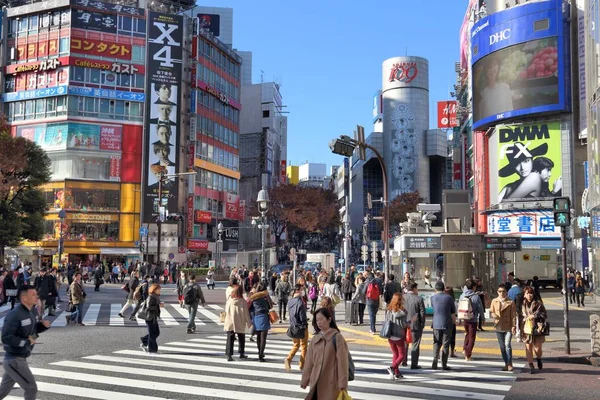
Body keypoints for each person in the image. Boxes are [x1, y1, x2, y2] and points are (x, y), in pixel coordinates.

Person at [0, 285, 50, 400]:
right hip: (14, 360)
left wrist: (42, 326)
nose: (36, 296)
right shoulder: (14, 315)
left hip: (19, 358)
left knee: (2, 391)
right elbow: (6, 338)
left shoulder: (31, 311)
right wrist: (26, 342)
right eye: (33, 294)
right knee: (31, 388)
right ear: (24, 298)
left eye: (36, 294)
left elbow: (32, 331)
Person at [300, 307, 349, 400]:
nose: (319, 322)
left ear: (329, 319)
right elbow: (309, 362)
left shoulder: (337, 338)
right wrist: (305, 379)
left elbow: (342, 363)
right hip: (316, 382)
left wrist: (343, 384)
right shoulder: (315, 339)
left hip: (332, 383)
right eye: (317, 320)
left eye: (321, 319)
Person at [476, 56, 513, 121]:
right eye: (489, 67)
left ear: (498, 66)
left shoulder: (505, 88)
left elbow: (510, 110)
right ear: (485, 70)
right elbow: (482, 119)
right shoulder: (483, 95)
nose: (492, 69)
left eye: (494, 65)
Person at [490, 285, 517, 371]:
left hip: (508, 326)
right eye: (500, 291)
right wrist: (493, 315)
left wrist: (514, 326)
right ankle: (506, 363)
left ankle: (510, 363)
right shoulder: (494, 301)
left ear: (506, 292)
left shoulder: (511, 302)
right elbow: (491, 311)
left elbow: (513, 316)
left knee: (507, 345)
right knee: (502, 347)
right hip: (498, 326)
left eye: (503, 291)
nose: (502, 293)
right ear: (497, 292)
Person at [522, 286, 548, 374]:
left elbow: (545, 315)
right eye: (527, 293)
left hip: (537, 328)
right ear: (524, 295)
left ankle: (539, 359)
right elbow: (519, 315)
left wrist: (535, 316)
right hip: (526, 328)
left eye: (531, 293)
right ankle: (531, 366)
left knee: (537, 348)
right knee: (528, 347)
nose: (529, 295)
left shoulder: (539, 304)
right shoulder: (522, 304)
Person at [431, 280, 456, 370]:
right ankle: (444, 364)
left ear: (435, 289)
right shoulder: (449, 298)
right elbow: (453, 312)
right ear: (443, 288)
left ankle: (435, 360)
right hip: (447, 323)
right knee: (446, 344)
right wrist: (454, 322)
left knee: (436, 342)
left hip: (436, 323)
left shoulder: (433, 298)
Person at [224, 284, 251, 361]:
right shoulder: (242, 301)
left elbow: (226, 311)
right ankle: (241, 353)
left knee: (230, 338)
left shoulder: (229, 300)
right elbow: (246, 313)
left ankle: (229, 355)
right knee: (241, 337)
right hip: (240, 321)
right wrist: (249, 323)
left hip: (230, 321)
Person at [285, 284, 309, 372]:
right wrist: (305, 324)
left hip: (293, 326)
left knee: (296, 345)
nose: (303, 291)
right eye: (302, 289)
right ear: (298, 290)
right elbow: (302, 316)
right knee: (304, 346)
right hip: (301, 327)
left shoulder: (290, 301)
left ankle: (288, 359)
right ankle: (302, 365)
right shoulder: (300, 302)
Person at [459, 279, 484, 361]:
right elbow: (480, 309)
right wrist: (483, 318)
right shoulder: (476, 297)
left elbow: (459, 307)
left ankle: (464, 349)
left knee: (467, 334)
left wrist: (459, 319)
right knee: (472, 337)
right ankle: (468, 355)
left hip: (464, 319)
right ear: (473, 287)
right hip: (473, 319)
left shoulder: (462, 295)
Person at [403, 281, 426, 368]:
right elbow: (422, 313)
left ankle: (404, 360)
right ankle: (414, 364)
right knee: (415, 343)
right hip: (415, 324)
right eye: (417, 288)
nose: (418, 290)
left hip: (404, 324)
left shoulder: (402, 297)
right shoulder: (419, 299)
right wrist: (422, 323)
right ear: (414, 289)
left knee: (405, 342)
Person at [385, 292, 408, 380]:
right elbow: (405, 324)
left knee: (395, 353)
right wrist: (412, 321)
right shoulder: (402, 311)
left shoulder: (389, 309)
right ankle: (392, 367)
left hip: (390, 334)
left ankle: (397, 373)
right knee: (402, 355)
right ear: (400, 300)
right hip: (399, 335)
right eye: (402, 299)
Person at [248, 282, 272, 361]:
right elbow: (270, 305)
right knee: (263, 338)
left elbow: (249, 306)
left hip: (256, 317)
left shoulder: (253, 296)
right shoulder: (265, 295)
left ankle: (259, 352)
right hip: (264, 316)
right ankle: (261, 355)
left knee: (258, 336)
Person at [140, 283, 163, 353]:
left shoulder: (156, 296)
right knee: (152, 333)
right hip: (149, 317)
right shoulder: (151, 297)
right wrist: (158, 305)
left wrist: (159, 305)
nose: (160, 291)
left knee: (156, 332)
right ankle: (152, 350)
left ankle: (144, 341)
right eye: (159, 290)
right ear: (154, 290)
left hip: (153, 317)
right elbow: (149, 307)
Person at [444, 286, 458, 358]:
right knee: (452, 337)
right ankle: (452, 352)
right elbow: (455, 312)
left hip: (444, 321)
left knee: (444, 337)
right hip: (452, 321)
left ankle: (443, 352)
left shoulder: (443, 300)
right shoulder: (453, 301)